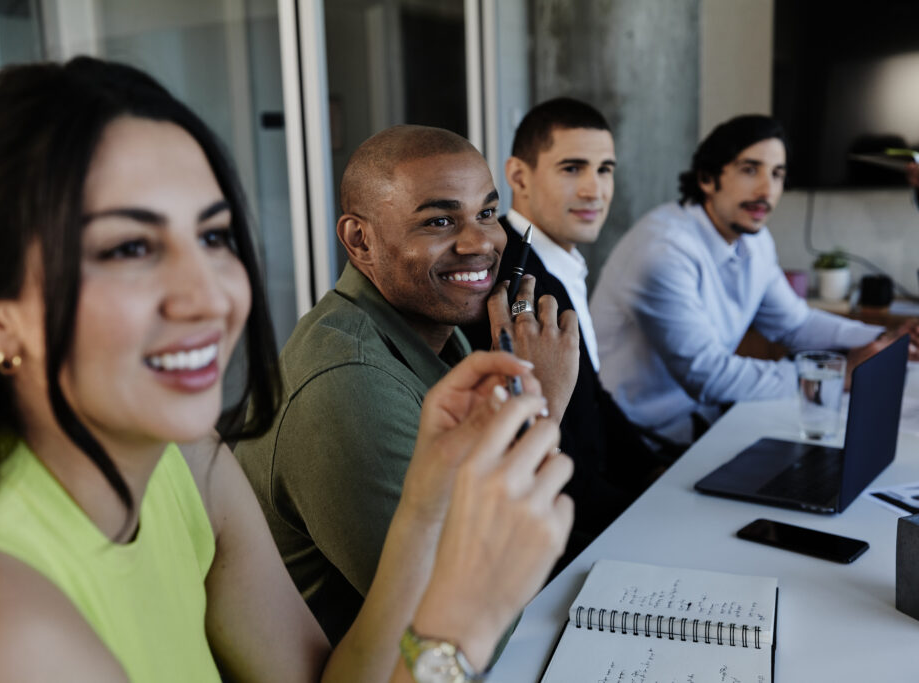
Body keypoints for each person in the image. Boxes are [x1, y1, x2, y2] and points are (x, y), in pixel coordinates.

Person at [0, 59, 574, 682]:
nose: (209, 295)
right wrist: (456, 633)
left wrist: (424, 511)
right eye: (130, 247)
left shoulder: (187, 460)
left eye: (214, 237)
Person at [236, 124, 581, 644]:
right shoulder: (349, 387)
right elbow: (468, 622)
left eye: (487, 213)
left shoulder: (447, 334)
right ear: (360, 240)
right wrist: (539, 408)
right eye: (440, 221)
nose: (480, 242)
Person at [590, 114, 916, 446]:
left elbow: (794, 324)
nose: (767, 190)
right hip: (637, 441)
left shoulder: (754, 239)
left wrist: (886, 338)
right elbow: (709, 377)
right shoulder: (663, 251)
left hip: (703, 422)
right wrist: (837, 375)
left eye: (777, 175)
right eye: (750, 170)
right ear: (706, 178)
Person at [463, 97, 660, 559]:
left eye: (605, 169)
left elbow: (592, 397)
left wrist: (658, 475)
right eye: (573, 169)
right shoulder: (516, 280)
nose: (596, 190)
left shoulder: (559, 263)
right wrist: (639, 516)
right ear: (518, 176)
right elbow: (548, 439)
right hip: (564, 537)